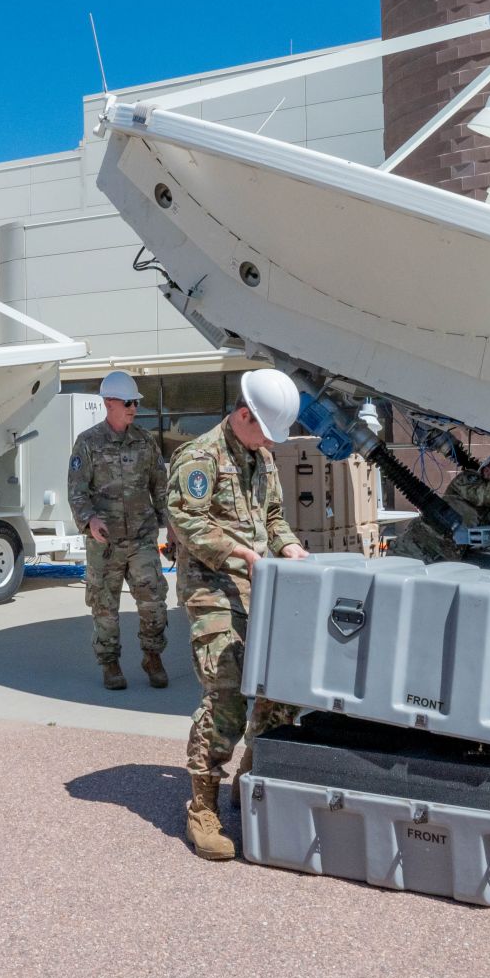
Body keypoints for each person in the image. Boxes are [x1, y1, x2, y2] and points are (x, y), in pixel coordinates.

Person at [166, 367, 309, 860]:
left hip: (262, 588)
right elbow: (187, 522)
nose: (269, 442)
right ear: (244, 415)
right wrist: (242, 555)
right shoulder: (198, 457)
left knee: (279, 684)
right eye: (265, 431)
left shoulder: (260, 458)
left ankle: (253, 774)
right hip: (213, 588)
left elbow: (272, 518)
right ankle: (202, 806)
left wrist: (289, 547)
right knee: (226, 690)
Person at [67, 370, 170, 691]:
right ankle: (110, 663)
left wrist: (174, 528)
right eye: (127, 402)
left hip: (142, 540)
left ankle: (152, 656)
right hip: (105, 543)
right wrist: (90, 520)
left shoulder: (145, 442)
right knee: (105, 606)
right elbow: (77, 491)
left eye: (136, 403)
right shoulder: (88, 443)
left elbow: (161, 488)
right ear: (109, 403)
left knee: (153, 601)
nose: (133, 408)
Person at [390, 452, 490, 563]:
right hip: (412, 551)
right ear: (486, 470)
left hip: (442, 563)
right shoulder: (467, 479)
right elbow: (483, 495)